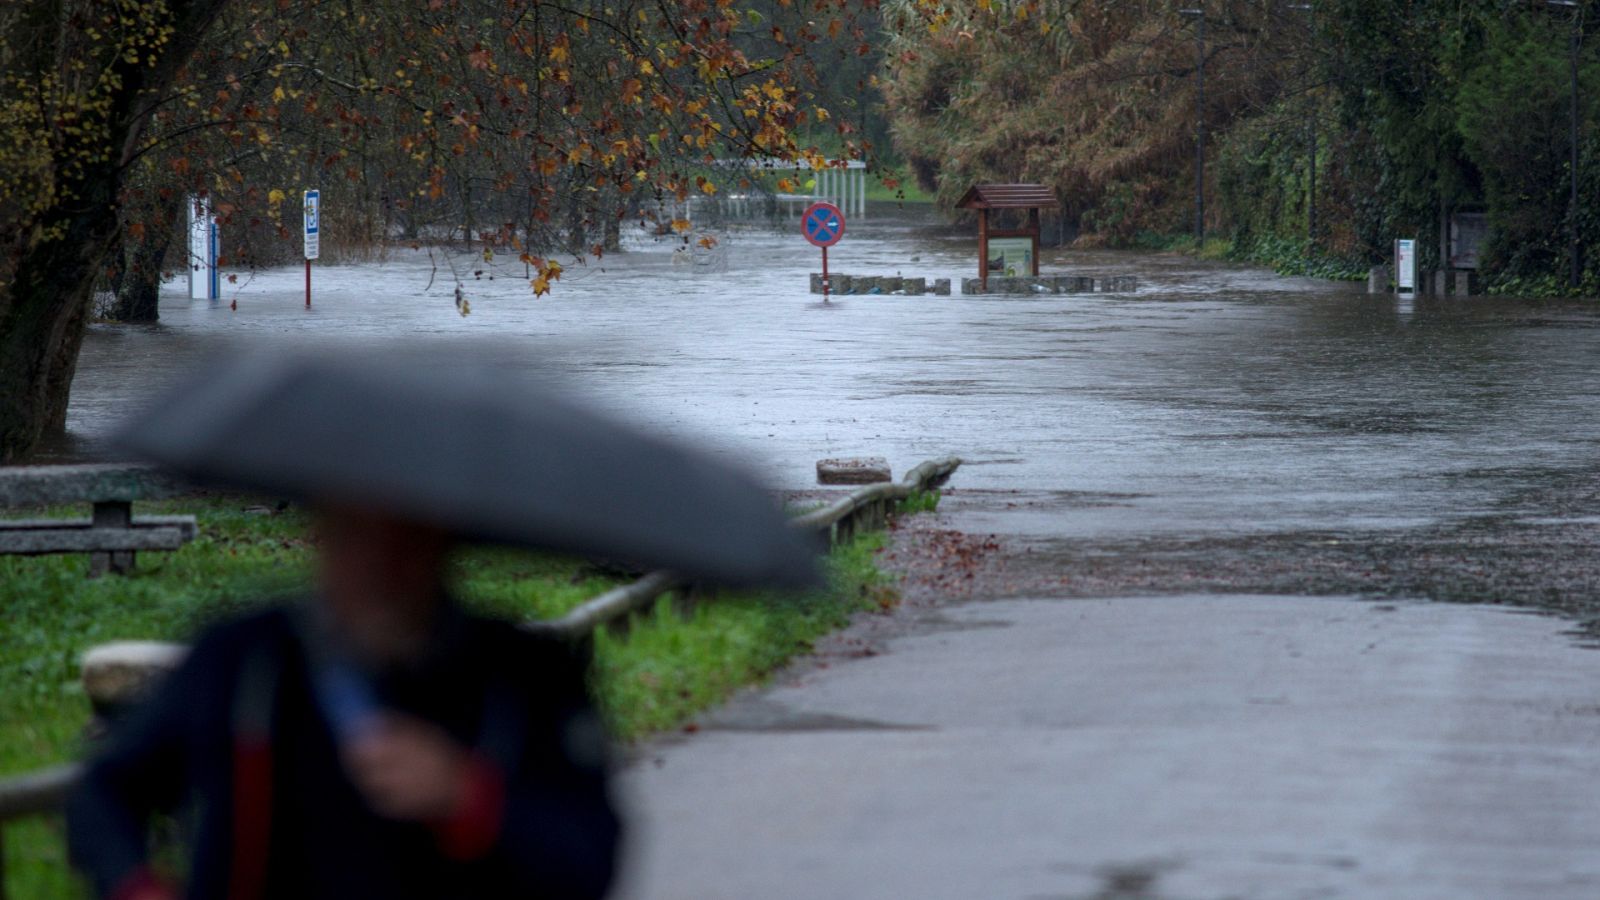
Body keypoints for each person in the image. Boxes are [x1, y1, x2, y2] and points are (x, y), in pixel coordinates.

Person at [68, 504, 621, 900]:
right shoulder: (247, 658)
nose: (381, 564)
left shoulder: (526, 674)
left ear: (445, 542)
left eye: (406, 539)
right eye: (358, 535)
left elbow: (592, 858)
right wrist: (137, 886)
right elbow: (103, 791)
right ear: (324, 535)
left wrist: (469, 798)